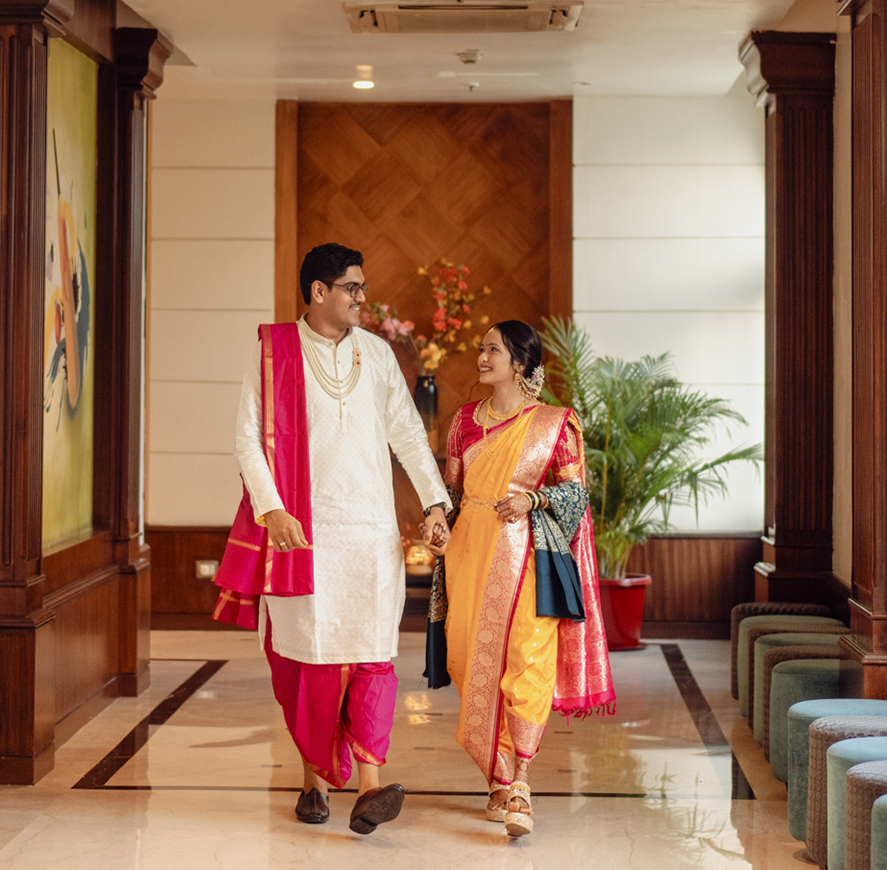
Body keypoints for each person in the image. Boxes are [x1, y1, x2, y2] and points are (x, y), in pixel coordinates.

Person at [211, 242, 452, 835]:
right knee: (309, 662)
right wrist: (273, 511)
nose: (362, 298)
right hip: (302, 536)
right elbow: (247, 440)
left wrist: (435, 501)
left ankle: (370, 787)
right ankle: (313, 780)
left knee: (373, 656)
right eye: (352, 288)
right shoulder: (274, 353)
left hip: (370, 533)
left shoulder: (377, 353)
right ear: (319, 291)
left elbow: (408, 434)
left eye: (362, 288)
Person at [426, 319, 615, 838]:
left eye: (494, 350)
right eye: (482, 349)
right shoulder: (464, 422)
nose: (483, 358)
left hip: (527, 557)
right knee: (470, 663)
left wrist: (533, 498)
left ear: (521, 363)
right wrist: (437, 523)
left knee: (528, 661)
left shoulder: (555, 423)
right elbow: (452, 492)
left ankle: (522, 783)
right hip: (468, 555)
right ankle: (497, 776)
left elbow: (576, 494)